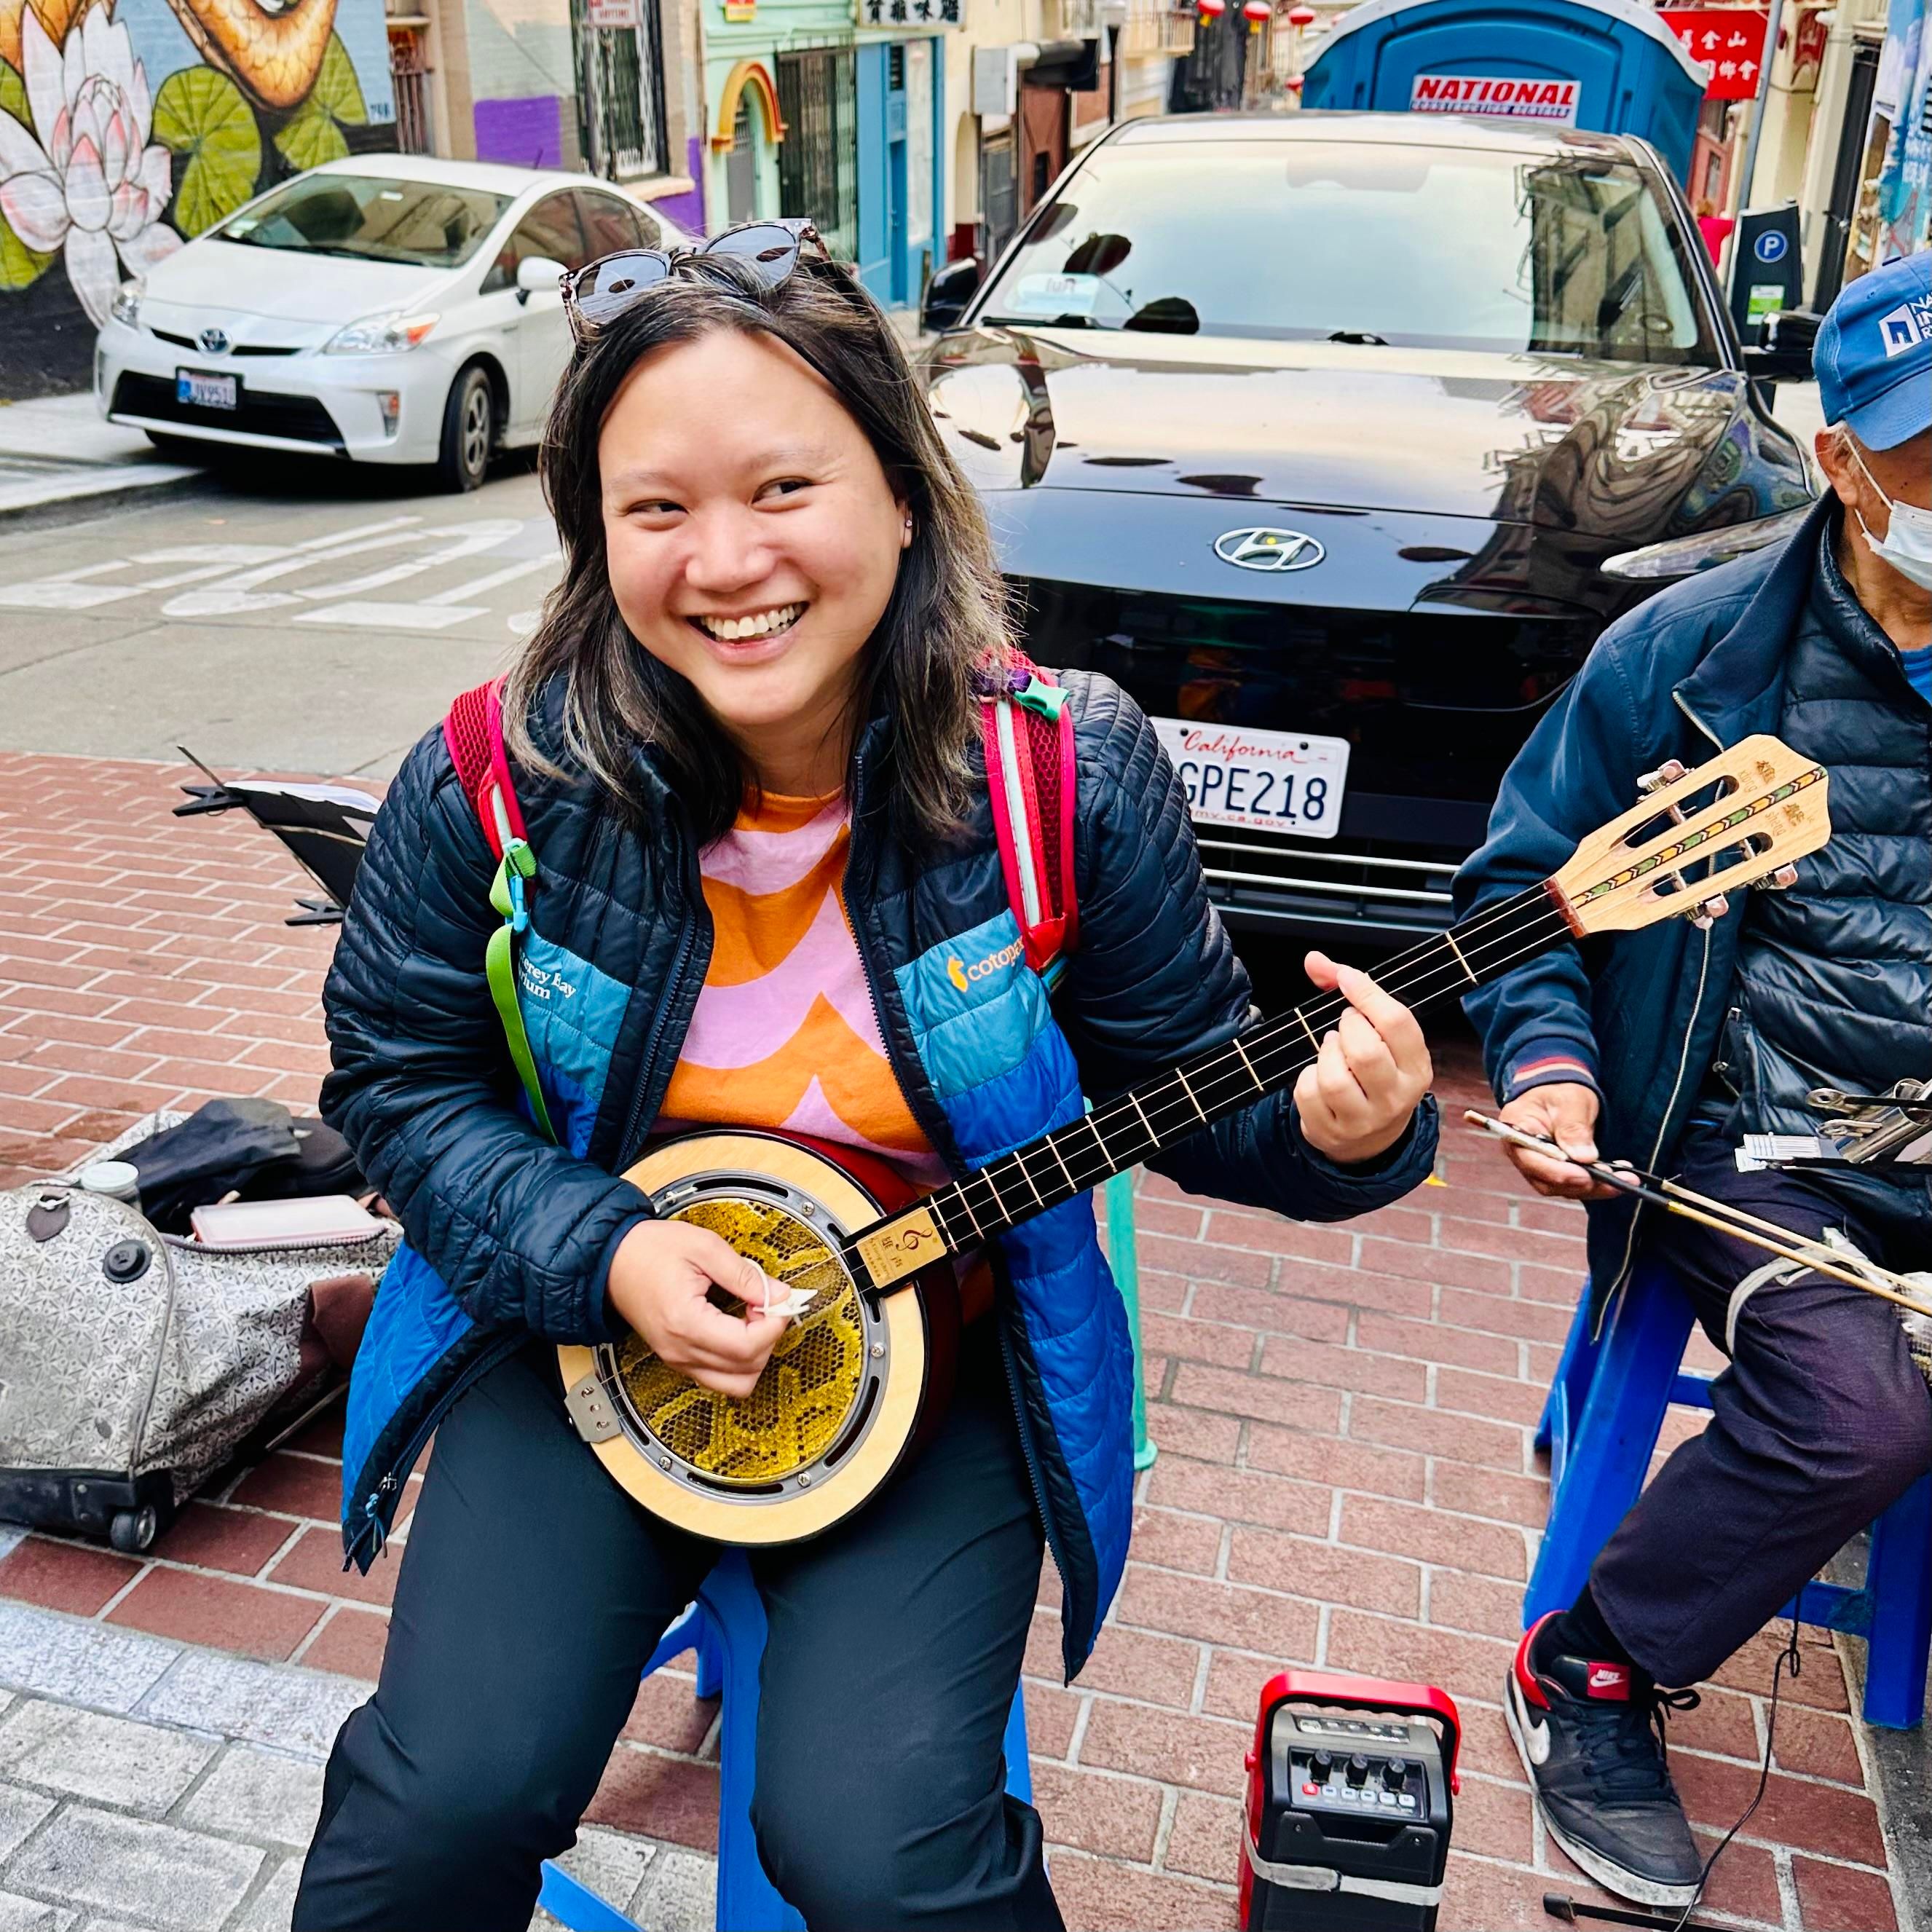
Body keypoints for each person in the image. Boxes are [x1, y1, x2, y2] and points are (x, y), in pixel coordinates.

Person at [292, 221, 1439, 1930]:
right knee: (445, 1791)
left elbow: (1197, 1078)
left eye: (784, 488)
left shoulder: (1062, 772)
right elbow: (395, 1076)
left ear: (902, 495)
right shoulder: (497, 773)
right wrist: (602, 1250)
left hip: (931, 1356)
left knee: (884, 1856)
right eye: (656, 508)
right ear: (593, 534)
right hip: (582, 1335)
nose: (725, 558)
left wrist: (1352, 1128)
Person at [1456, 250, 1932, 1910]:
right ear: (1848, 463)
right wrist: (1557, 1070)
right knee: (1862, 1412)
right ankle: (1588, 1667)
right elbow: (1523, 892)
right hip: (1753, 1136)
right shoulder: (1691, 655)